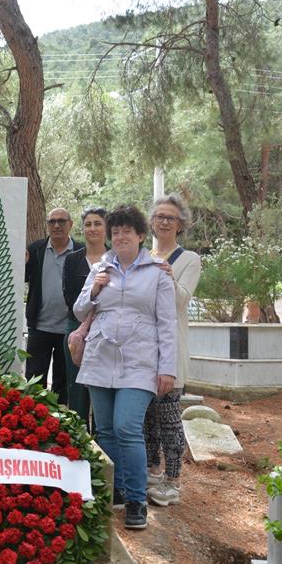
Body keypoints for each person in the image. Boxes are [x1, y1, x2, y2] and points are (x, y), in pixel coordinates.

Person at [73, 204, 177, 530]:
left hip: (140, 361)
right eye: (114, 232)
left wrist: (167, 369)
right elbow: (78, 311)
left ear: (140, 236)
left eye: (126, 232)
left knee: (126, 427)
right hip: (100, 358)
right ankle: (112, 490)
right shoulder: (100, 268)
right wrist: (94, 289)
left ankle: (136, 500)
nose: (119, 237)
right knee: (104, 429)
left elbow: (168, 324)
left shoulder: (158, 272)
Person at [144, 194, 202, 507]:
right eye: (159, 216)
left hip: (171, 350)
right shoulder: (142, 255)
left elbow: (181, 301)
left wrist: (166, 274)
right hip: (143, 350)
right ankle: (152, 470)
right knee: (147, 417)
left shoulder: (188, 259)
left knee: (168, 417)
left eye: (171, 218)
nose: (164, 222)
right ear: (151, 222)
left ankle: (174, 479)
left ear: (180, 225)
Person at [25, 208, 84, 402]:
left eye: (61, 221)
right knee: (34, 382)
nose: (56, 225)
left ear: (71, 224)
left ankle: (57, 428)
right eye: (52, 222)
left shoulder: (81, 251)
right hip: (39, 328)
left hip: (69, 329)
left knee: (63, 384)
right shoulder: (36, 250)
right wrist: (22, 262)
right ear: (47, 225)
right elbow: (22, 277)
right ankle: (33, 423)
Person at [61, 207, 107, 423]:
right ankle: (80, 443)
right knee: (77, 393)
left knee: (103, 394)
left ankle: (102, 446)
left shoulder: (116, 258)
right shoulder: (72, 260)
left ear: (107, 227)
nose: (93, 228)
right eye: (88, 224)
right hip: (76, 332)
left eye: (98, 223)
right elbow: (70, 300)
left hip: (107, 332)